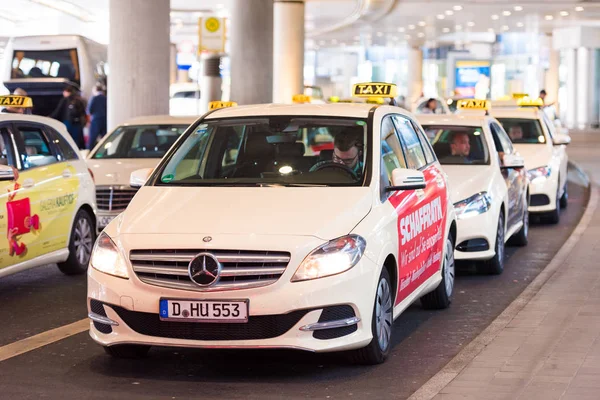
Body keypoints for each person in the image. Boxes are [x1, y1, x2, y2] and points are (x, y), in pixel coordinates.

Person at [87, 83, 107, 150]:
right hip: (105, 119)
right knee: (105, 138)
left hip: (96, 119)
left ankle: (89, 152)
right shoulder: (105, 98)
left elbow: (89, 110)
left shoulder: (94, 98)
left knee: (92, 139)